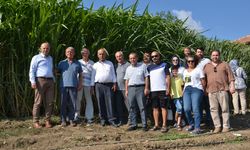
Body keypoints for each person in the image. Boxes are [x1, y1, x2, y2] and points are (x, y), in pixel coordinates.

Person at [203, 50, 235, 133]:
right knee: (213, 109)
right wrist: (205, 89)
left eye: (216, 55)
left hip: (223, 90)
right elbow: (204, 79)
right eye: (213, 55)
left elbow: (231, 77)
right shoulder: (207, 66)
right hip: (211, 90)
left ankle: (226, 126)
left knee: (225, 109)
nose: (215, 57)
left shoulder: (224, 64)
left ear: (219, 56)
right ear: (210, 56)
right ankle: (217, 126)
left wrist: (232, 86)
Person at [29, 42, 55, 128]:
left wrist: (53, 80)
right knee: (38, 102)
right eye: (44, 48)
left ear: (49, 49)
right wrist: (33, 82)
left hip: (50, 81)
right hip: (40, 81)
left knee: (50, 102)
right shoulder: (36, 58)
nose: (45, 50)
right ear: (40, 49)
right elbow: (32, 70)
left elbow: (50, 70)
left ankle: (47, 121)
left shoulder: (50, 58)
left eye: (47, 48)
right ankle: (36, 121)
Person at [57, 47, 83, 127]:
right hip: (63, 86)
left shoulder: (77, 63)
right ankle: (63, 120)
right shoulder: (61, 63)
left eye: (71, 52)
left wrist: (80, 84)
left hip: (73, 85)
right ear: (65, 53)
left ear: (74, 53)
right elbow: (57, 73)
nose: (69, 53)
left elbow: (81, 75)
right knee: (63, 103)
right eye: (68, 52)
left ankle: (71, 119)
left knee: (72, 103)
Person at [124, 52, 150, 131]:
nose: (132, 60)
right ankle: (133, 124)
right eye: (131, 58)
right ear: (129, 59)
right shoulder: (128, 68)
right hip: (131, 88)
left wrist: (146, 88)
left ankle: (144, 125)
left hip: (140, 88)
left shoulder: (143, 66)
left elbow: (146, 77)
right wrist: (126, 90)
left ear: (137, 58)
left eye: (134, 58)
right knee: (132, 107)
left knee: (142, 107)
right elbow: (126, 80)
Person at [93, 48, 118, 127]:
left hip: (109, 85)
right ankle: (103, 120)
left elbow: (113, 74)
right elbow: (93, 77)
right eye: (100, 54)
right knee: (100, 103)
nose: (101, 55)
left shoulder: (110, 63)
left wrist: (114, 83)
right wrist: (92, 87)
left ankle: (111, 120)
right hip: (98, 85)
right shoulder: (95, 65)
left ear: (105, 55)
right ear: (98, 55)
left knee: (110, 102)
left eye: (103, 54)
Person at [147, 51, 170, 133]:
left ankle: (164, 125)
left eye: (156, 56)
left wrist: (168, 88)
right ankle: (156, 125)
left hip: (163, 89)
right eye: (152, 56)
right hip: (153, 90)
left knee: (163, 107)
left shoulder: (164, 65)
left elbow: (167, 77)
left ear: (159, 56)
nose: (154, 57)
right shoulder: (149, 67)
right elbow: (147, 79)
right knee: (155, 108)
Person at [183, 55, 206, 135]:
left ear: (195, 62)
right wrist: (183, 91)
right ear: (187, 62)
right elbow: (185, 82)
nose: (190, 63)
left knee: (196, 108)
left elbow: (203, 81)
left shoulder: (198, 70)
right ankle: (191, 124)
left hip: (197, 89)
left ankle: (197, 127)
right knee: (186, 109)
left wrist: (204, 90)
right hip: (187, 90)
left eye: (192, 61)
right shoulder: (185, 71)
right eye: (188, 61)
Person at [76, 47, 95, 125]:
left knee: (89, 101)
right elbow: (76, 73)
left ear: (88, 54)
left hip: (88, 84)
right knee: (78, 99)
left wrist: (92, 86)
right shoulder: (78, 62)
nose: (85, 54)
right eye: (83, 53)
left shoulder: (92, 63)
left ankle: (89, 118)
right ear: (81, 54)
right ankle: (76, 116)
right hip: (79, 84)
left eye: (86, 53)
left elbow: (93, 75)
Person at [195, 47, 212, 127]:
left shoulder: (207, 61)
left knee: (207, 103)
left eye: (201, 52)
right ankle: (201, 119)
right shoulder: (193, 61)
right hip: (197, 85)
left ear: (203, 53)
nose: (199, 53)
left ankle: (209, 119)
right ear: (196, 53)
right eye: (198, 52)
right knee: (199, 104)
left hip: (206, 83)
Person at [114, 51, 130, 125]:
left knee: (128, 105)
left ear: (123, 56)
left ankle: (130, 120)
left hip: (126, 89)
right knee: (119, 106)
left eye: (120, 56)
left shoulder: (128, 65)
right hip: (118, 89)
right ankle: (121, 120)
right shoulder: (115, 66)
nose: (119, 58)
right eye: (117, 56)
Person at [170, 66, 184, 131]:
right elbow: (169, 87)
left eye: (176, 71)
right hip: (175, 96)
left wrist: (183, 92)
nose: (175, 72)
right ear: (172, 72)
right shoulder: (171, 79)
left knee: (179, 110)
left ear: (178, 71)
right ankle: (176, 119)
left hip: (181, 95)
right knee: (179, 108)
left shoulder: (180, 78)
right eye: (173, 71)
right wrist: (170, 93)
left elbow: (182, 86)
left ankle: (178, 124)